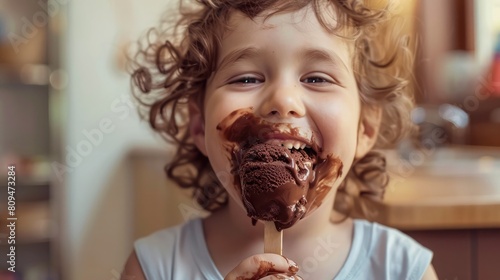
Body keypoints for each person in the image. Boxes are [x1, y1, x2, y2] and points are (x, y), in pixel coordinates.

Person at [123, 0, 438, 279]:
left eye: (316, 78)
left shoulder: (402, 268)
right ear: (198, 125)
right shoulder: (154, 267)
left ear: (365, 128)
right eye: (246, 78)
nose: (283, 100)